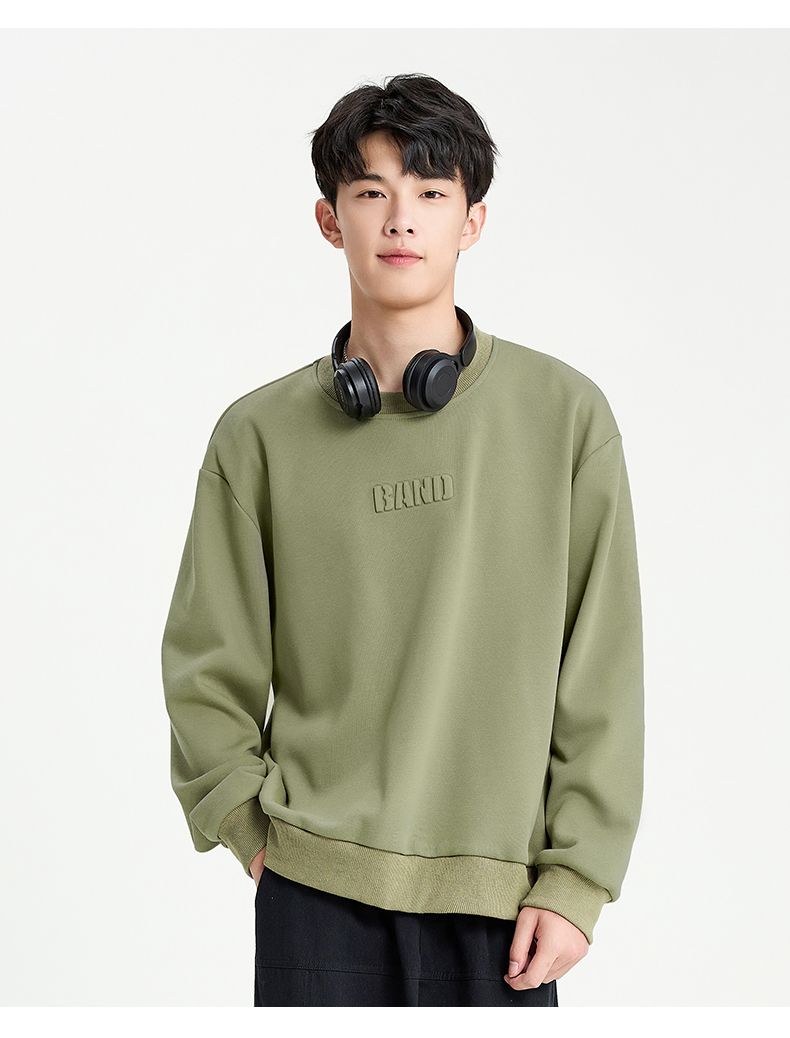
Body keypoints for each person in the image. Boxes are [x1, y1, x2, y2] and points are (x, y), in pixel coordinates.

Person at [161, 72, 644, 1007]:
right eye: (370, 192)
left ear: (473, 221)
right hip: (313, 886)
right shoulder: (257, 437)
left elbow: (603, 668)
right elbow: (205, 665)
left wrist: (578, 879)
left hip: (504, 900)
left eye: (430, 192)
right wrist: (254, 834)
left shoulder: (565, 418)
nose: (400, 220)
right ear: (329, 219)